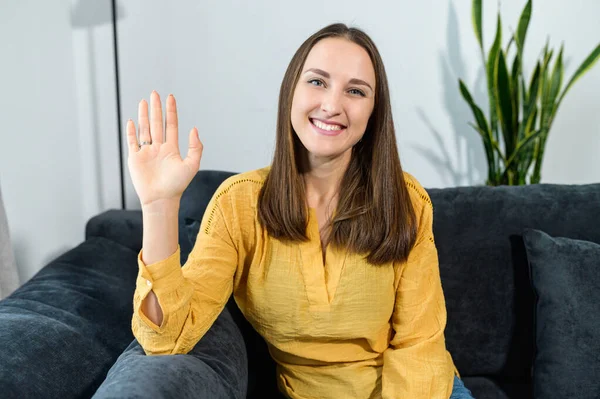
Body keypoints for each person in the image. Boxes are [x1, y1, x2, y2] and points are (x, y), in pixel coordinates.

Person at [101, 23, 475, 399]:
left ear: (374, 111)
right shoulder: (238, 204)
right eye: (317, 82)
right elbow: (165, 339)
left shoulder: (407, 201)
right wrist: (159, 205)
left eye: (356, 91)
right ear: (290, 92)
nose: (332, 104)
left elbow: (418, 343)